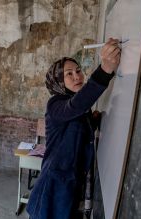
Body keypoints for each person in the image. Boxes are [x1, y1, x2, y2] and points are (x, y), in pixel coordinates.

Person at [26, 38, 121, 219]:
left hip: (70, 185)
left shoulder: (80, 108)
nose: (77, 76)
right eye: (69, 74)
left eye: (78, 71)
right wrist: (105, 70)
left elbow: (75, 130)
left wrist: (92, 121)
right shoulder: (55, 104)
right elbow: (74, 107)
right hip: (53, 186)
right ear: (57, 81)